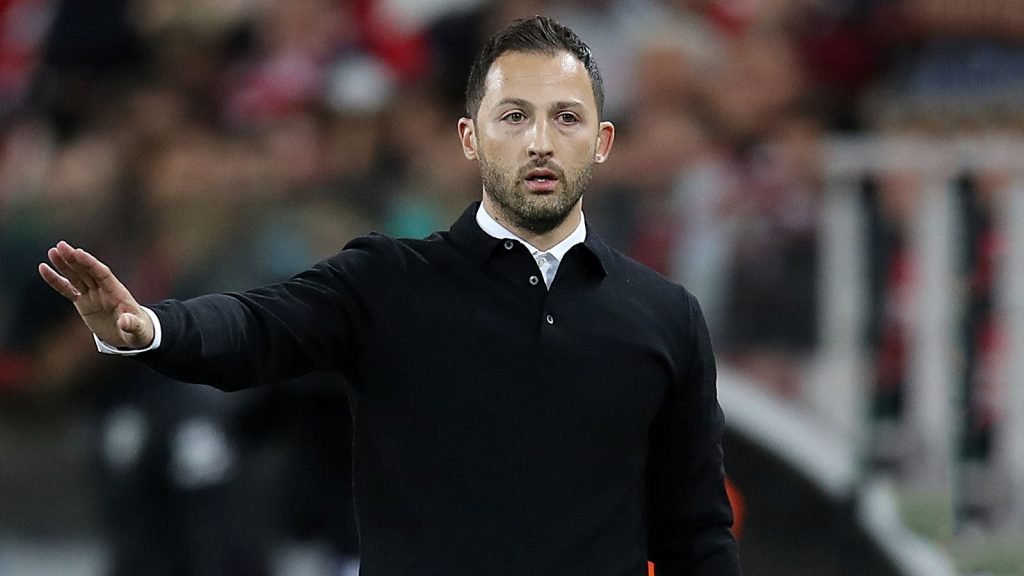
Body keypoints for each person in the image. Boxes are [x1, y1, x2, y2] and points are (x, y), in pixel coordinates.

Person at [38, 16, 740, 576]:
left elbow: (696, 533)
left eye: (566, 118)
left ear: (603, 141)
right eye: (513, 116)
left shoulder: (665, 315)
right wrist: (149, 328)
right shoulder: (388, 282)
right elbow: (257, 325)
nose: (540, 142)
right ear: (469, 137)